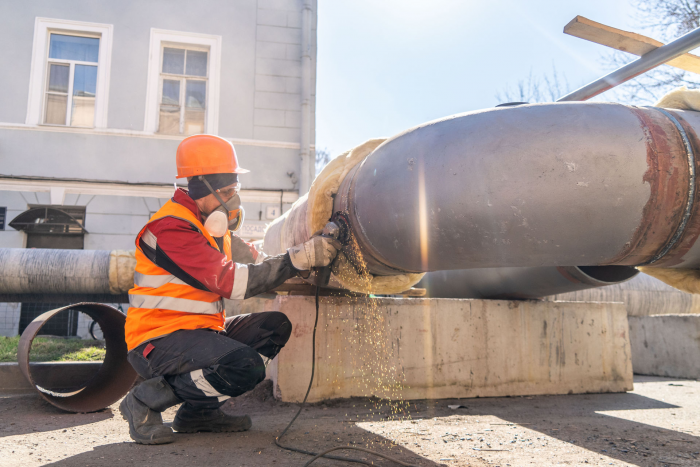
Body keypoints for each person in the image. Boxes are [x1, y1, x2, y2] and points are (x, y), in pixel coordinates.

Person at [119, 134, 340, 445]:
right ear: (199, 187)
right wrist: (297, 259)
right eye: (226, 192)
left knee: (274, 327)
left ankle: (199, 413)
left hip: (197, 334)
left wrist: (308, 263)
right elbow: (234, 282)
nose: (232, 201)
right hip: (157, 341)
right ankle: (144, 400)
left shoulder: (211, 228)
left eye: (235, 190)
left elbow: (261, 265)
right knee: (245, 366)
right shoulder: (171, 229)